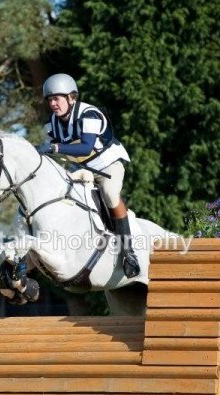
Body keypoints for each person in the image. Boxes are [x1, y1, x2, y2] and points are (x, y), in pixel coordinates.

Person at [36, 73, 140, 278]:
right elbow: (50, 150)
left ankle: (129, 253)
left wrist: (55, 148)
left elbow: (86, 147)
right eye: (50, 100)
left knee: (110, 194)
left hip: (108, 165)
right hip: (81, 170)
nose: (53, 104)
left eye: (57, 98)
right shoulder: (51, 124)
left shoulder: (89, 114)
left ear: (72, 98)